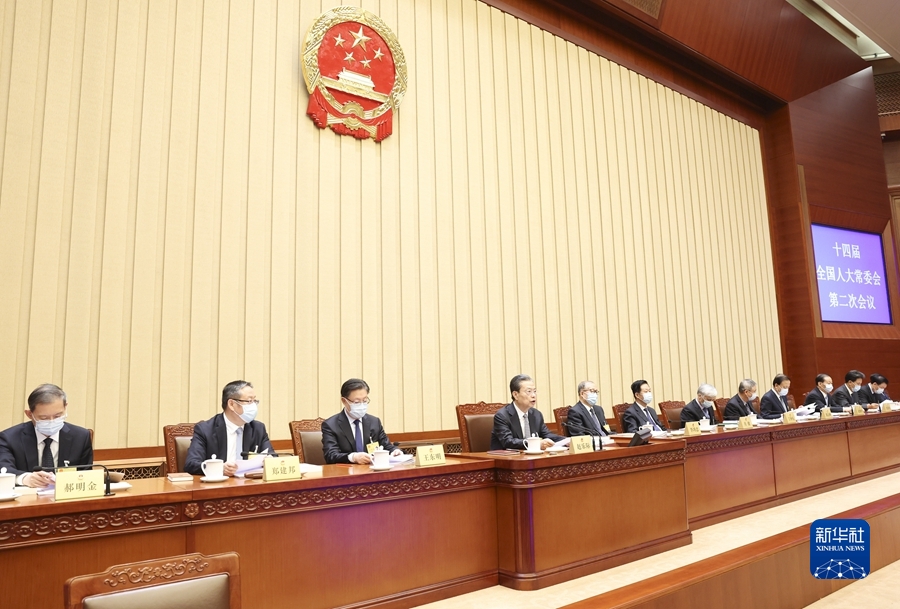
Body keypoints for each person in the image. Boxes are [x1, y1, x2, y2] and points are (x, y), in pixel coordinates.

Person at [0, 384, 93, 488]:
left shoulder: (80, 437)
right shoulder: (9, 438)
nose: (52, 421)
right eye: (44, 418)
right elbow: (4, 469)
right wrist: (24, 478)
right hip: (27, 495)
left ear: (65, 407)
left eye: (57, 416)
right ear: (29, 414)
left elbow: (86, 475)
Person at [184, 380, 275, 476]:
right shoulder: (205, 430)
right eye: (249, 401)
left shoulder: (258, 428)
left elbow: (272, 456)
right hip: (220, 483)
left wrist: (269, 461)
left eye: (254, 401)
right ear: (231, 404)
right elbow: (191, 464)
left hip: (250, 482)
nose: (253, 405)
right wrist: (219, 468)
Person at [321, 378, 402, 464]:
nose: (362, 405)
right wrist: (353, 457)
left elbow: (387, 446)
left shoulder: (374, 422)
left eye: (365, 401)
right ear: (344, 401)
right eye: (356, 402)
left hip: (372, 470)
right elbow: (330, 455)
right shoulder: (331, 425)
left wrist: (395, 451)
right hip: (346, 471)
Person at [490, 375, 564, 450]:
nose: (533, 395)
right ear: (515, 395)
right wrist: (535, 444)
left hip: (531, 456)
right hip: (507, 456)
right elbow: (508, 442)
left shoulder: (536, 414)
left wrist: (566, 441)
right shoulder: (502, 416)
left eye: (534, 391)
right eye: (529, 391)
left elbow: (547, 435)